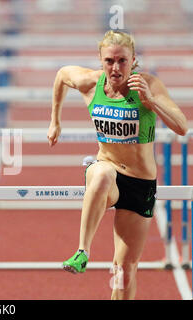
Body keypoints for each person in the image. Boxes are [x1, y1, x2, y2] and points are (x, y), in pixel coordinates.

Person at [47, 30, 187, 299]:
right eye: (109, 60)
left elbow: (182, 127)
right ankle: (82, 251)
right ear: (100, 61)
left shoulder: (149, 84)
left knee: (123, 270)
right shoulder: (91, 83)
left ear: (133, 60)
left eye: (122, 61)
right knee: (101, 173)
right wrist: (55, 119)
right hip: (108, 170)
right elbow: (63, 74)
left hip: (140, 184)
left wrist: (151, 101)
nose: (115, 67)